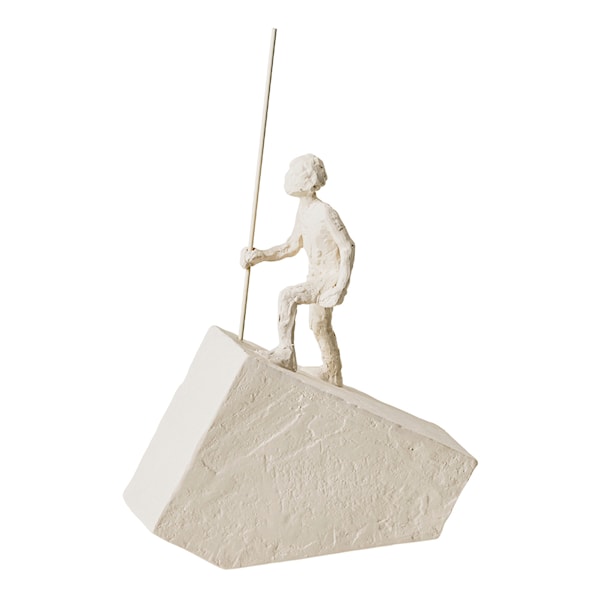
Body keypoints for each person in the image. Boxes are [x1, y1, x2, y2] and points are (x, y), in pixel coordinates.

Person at [240, 154, 355, 386]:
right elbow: (291, 246)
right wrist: (260, 255)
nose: (289, 177)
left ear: (308, 179)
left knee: (288, 296)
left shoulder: (324, 212)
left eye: (295, 173)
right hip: (316, 276)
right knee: (319, 325)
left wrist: (341, 286)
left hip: (327, 278)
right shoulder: (304, 211)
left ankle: (286, 352)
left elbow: (347, 246)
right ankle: (332, 372)